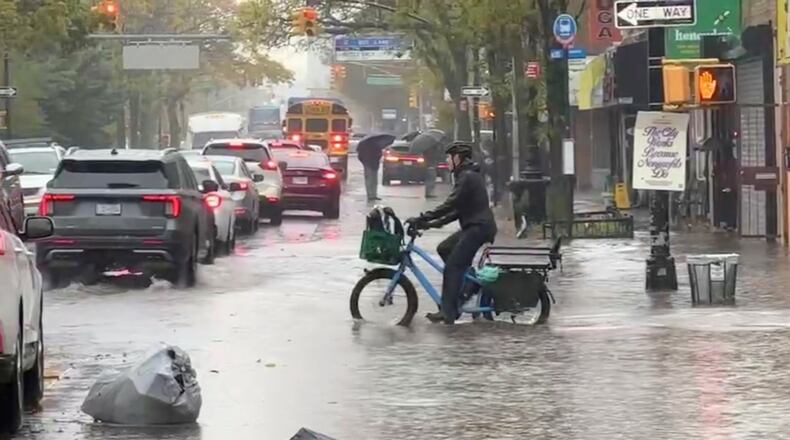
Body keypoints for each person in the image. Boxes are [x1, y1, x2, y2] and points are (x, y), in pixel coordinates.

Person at [408, 142, 497, 324]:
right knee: (444, 248)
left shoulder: (467, 177)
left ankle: (448, 312)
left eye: (449, 157)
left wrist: (423, 217)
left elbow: (451, 204)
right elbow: (457, 211)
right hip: (474, 226)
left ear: (458, 158)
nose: (447, 161)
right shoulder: (465, 175)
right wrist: (430, 224)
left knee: (453, 267)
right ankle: (468, 283)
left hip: (478, 228)